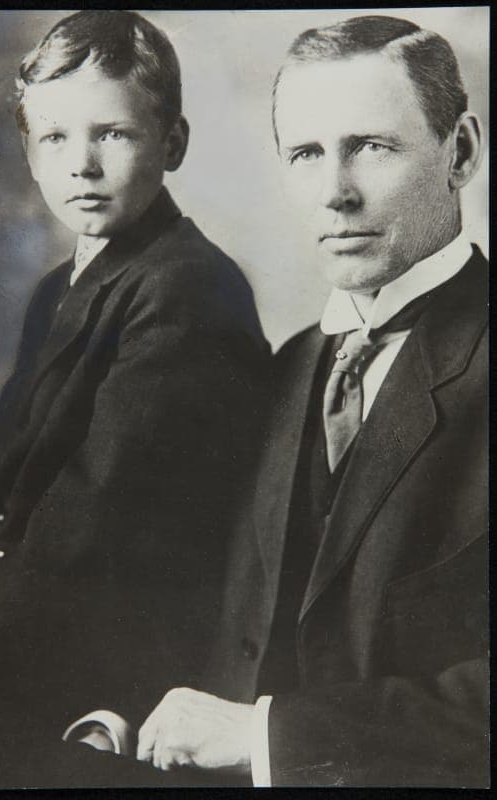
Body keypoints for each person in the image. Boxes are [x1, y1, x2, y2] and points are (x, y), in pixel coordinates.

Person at [137, 15, 489, 787]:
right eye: (306, 154)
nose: (335, 193)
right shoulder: (292, 364)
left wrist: (272, 737)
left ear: (459, 151)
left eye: (372, 147)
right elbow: (229, 622)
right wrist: (123, 714)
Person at [0, 10, 268, 788]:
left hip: (105, 648)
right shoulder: (61, 287)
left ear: (171, 144)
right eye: (54, 139)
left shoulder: (187, 288)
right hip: (17, 603)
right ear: (30, 152)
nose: (81, 164)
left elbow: (87, 524)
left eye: (112, 134)